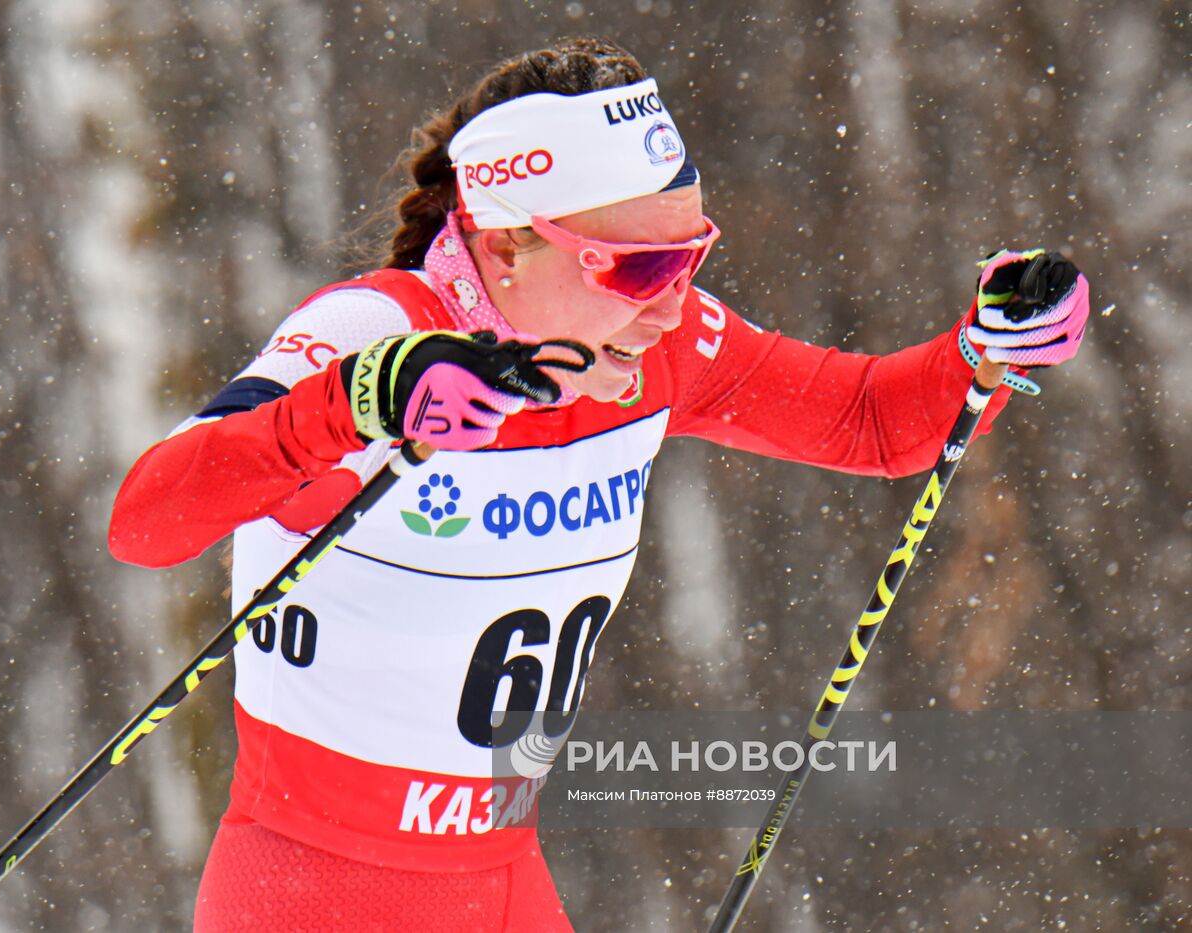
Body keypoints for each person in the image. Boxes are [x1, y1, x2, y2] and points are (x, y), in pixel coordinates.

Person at [108, 36, 1088, 933]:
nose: (670, 307)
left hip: (502, 883)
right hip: (312, 892)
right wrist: (355, 402)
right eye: (638, 269)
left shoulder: (662, 349)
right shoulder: (374, 335)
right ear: (504, 244)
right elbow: (147, 521)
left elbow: (871, 421)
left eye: (690, 257)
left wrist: (985, 349)